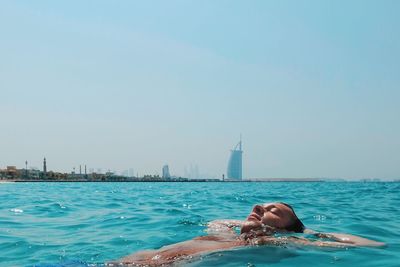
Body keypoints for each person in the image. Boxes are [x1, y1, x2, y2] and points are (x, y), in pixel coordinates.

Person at [108, 202, 384, 266]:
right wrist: (250, 222)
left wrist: (310, 232)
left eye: (272, 209)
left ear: (287, 227)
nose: (259, 207)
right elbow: (216, 220)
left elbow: (372, 245)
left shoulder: (283, 240)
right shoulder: (226, 235)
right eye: (259, 205)